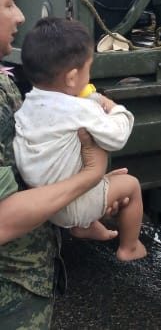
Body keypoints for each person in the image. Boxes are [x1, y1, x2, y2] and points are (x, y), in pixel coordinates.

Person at [0, 0, 126, 328]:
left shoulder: (5, 80)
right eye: (8, 5)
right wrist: (88, 178)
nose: (21, 16)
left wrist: (82, 196)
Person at [13, 17, 147, 262]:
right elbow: (117, 136)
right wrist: (113, 107)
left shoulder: (28, 103)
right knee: (130, 184)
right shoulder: (80, 111)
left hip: (42, 200)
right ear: (73, 78)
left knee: (76, 159)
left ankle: (85, 225)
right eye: (89, 69)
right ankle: (130, 247)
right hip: (70, 203)